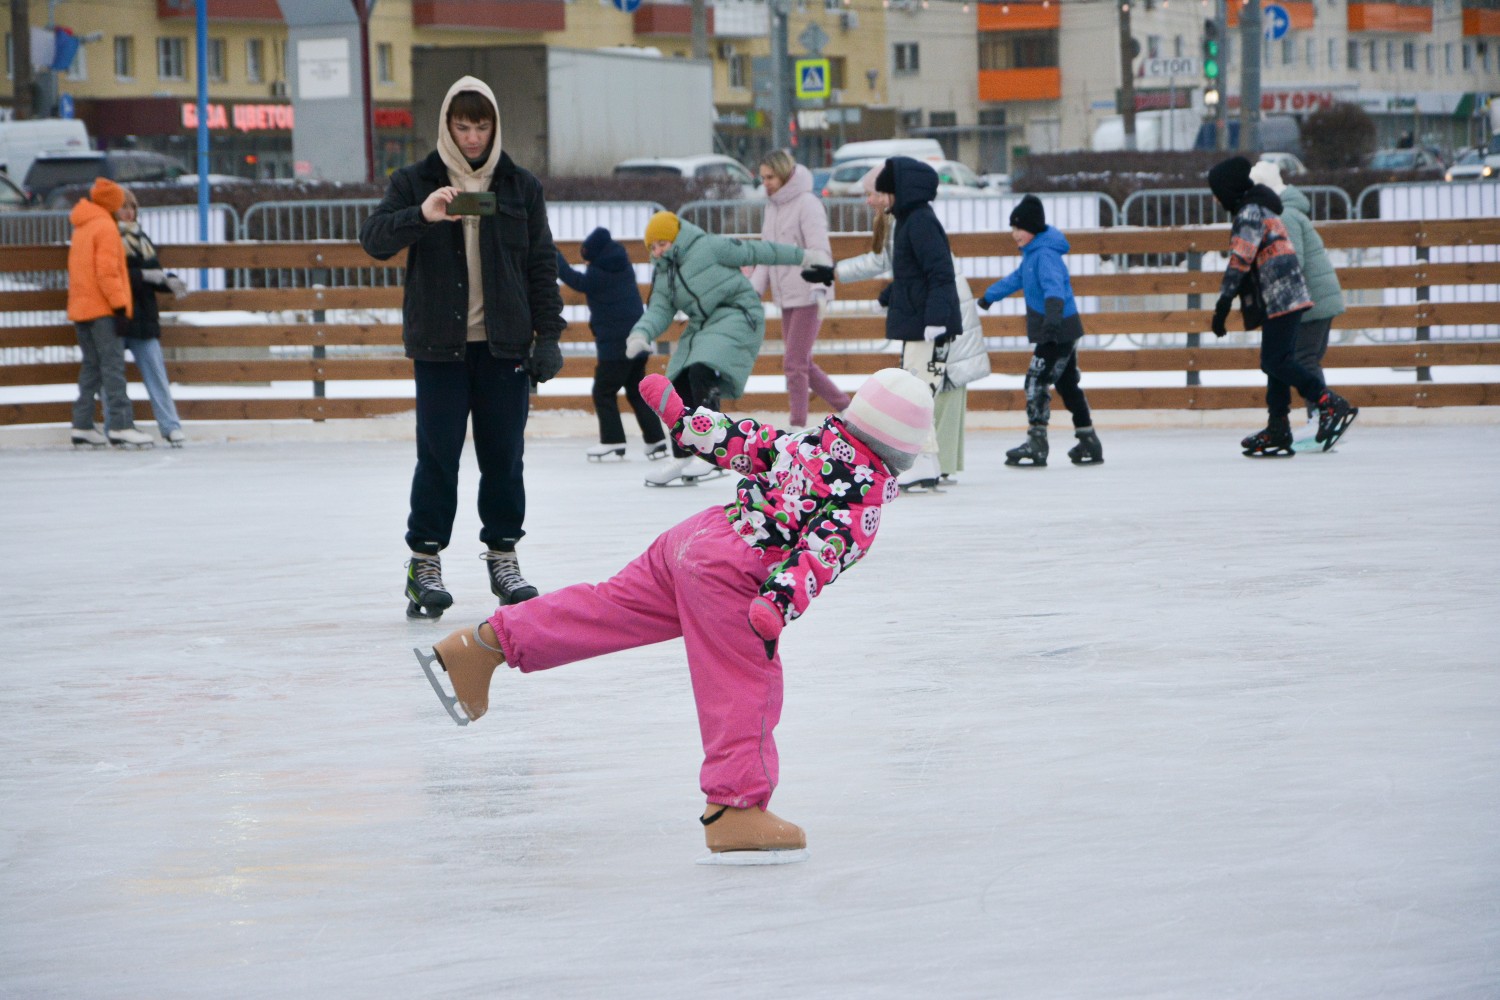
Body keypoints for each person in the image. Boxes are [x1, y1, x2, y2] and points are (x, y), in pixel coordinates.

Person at [414, 367, 934, 863]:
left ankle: (481, 647)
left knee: (605, 608)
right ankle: (736, 808)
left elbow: (743, 439)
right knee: (743, 681)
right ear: (903, 451)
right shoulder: (863, 495)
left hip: (695, 538)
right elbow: (822, 551)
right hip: (734, 573)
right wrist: (777, 602)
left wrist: (686, 420)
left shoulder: (808, 441)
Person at [359, 76, 566, 620]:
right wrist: (421, 216)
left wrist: (550, 336)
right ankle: (423, 563)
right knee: (439, 457)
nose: (472, 137)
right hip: (440, 346)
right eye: (462, 125)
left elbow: (542, 265)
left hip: (504, 348)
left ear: (494, 126)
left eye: (482, 126)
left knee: (504, 458)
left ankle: (504, 558)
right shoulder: (415, 180)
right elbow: (374, 239)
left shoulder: (519, 186)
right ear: (446, 125)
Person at [623, 209, 831, 487]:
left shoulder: (709, 246)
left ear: (676, 238)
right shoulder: (665, 274)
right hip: (703, 325)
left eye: (662, 244)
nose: (658, 251)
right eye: (653, 247)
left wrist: (804, 256)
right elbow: (659, 311)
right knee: (678, 380)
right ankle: (683, 456)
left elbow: (758, 251)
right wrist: (640, 333)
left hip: (737, 312)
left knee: (701, 369)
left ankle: (713, 450)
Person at [817, 163, 990, 484]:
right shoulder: (909, 222)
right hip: (921, 320)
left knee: (917, 395)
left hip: (930, 323)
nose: (872, 201)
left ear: (896, 191)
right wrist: (891, 295)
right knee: (919, 391)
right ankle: (929, 465)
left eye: (876, 193)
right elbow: (911, 271)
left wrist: (936, 319)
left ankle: (924, 466)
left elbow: (939, 273)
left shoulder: (920, 222)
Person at [1206, 156, 1356, 457]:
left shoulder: (1249, 212)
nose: (1214, 197)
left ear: (1227, 189)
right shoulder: (1260, 207)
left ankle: (1327, 402)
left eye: (1216, 190)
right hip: (1285, 296)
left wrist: (1223, 304)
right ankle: (1278, 427)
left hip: (1283, 295)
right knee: (1276, 361)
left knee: (1275, 362)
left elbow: (1241, 258)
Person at [978, 195, 1102, 468]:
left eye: (1018, 228)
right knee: (1067, 384)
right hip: (1060, 329)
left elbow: (1055, 289)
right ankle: (1088, 439)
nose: (1014, 235)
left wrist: (1052, 323)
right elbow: (1016, 280)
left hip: (1056, 330)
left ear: (1033, 228)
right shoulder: (1033, 254)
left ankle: (1037, 442)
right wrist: (990, 296)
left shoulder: (1045, 255)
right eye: (1012, 229)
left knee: (1035, 381)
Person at [1248, 159, 1348, 452]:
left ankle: (1322, 416)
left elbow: (1294, 262)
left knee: (1301, 358)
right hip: (1311, 298)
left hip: (1309, 301)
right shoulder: (1283, 212)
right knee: (1299, 359)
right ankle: (1301, 421)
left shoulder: (1285, 215)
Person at [747, 150, 850, 430]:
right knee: (801, 362)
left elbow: (819, 250)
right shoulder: (772, 207)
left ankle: (797, 426)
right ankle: (848, 409)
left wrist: (819, 286)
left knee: (793, 363)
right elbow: (768, 253)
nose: (765, 183)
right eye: (762, 177)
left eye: (770, 177)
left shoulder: (807, 204)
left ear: (783, 174)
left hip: (809, 294)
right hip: (787, 296)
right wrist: (754, 290)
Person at [555, 227, 666, 462]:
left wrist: (554, 256)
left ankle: (612, 439)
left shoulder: (598, 274)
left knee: (603, 391)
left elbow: (575, 280)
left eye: (586, 254)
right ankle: (656, 440)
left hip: (616, 347)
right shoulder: (622, 266)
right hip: (638, 340)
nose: (585, 260)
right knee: (637, 392)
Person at [67, 177, 153, 448]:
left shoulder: (82, 226)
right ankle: (121, 424)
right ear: (111, 203)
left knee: (91, 367)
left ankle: (82, 425)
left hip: (82, 309)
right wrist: (119, 307)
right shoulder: (105, 227)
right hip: (104, 309)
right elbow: (107, 273)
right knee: (113, 366)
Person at [116, 185, 189, 447]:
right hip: (116, 316)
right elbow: (114, 276)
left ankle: (170, 426)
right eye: (123, 206)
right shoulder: (108, 238)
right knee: (112, 376)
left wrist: (167, 281)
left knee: (156, 373)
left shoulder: (141, 239)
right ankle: (118, 426)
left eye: (132, 206)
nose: (128, 212)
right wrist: (145, 276)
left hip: (143, 317)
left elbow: (152, 272)